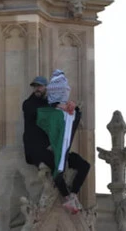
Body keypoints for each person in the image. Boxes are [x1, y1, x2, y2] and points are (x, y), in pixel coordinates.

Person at [22, 72, 90, 214]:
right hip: (37, 150)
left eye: (40, 86)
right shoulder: (29, 104)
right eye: (35, 87)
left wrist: (73, 109)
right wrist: (59, 107)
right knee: (57, 166)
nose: (37, 89)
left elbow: (68, 115)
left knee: (84, 165)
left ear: (47, 88)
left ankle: (73, 194)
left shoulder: (51, 104)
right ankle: (67, 198)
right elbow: (39, 112)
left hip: (55, 148)